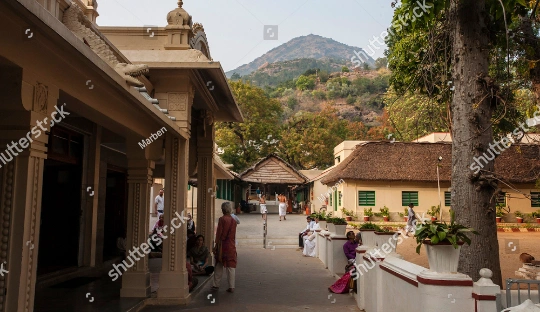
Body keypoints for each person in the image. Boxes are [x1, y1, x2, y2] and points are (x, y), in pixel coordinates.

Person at [212, 202, 237, 293]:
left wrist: (216, 245)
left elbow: (219, 233)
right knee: (231, 266)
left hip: (222, 245)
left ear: (223, 209)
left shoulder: (222, 219)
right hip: (231, 245)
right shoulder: (233, 221)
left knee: (219, 264)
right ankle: (231, 286)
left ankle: (216, 285)